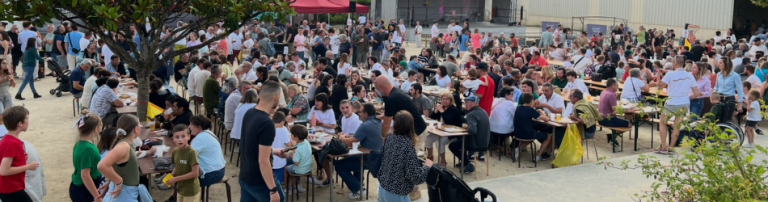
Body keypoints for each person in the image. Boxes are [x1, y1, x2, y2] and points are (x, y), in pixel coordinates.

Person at [239, 81, 287, 202]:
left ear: (260, 94)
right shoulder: (267, 123)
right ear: (276, 98)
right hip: (260, 181)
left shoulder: (249, 112)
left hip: (245, 176)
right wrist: (273, 189)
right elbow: (263, 161)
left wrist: (274, 151)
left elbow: (251, 145)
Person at [96, 114, 153, 202]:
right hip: (124, 194)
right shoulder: (124, 146)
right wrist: (118, 182)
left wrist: (109, 179)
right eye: (139, 125)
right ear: (135, 129)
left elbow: (115, 165)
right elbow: (102, 165)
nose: (140, 128)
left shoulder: (124, 144)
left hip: (127, 193)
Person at [378, 110, 432, 201]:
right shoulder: (407, 144)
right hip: (396, 192)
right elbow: (416, 177)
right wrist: (427, 166)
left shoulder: (389, 137)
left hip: (383, 188)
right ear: (411, 125)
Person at [334, 103, 383, 198]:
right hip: (378, 157)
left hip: (369, 159)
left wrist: (342, 138)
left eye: (360, 112)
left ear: (366, 114)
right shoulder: (377, 122)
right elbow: (357, 136)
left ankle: (358, 189)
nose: (358, 113)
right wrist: (345, 136)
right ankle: (360, 184)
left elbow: (349, 142)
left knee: (338, 165)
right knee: (354, 157)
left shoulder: (365, 125)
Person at [0, 106, 39, 202]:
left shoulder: (8, 139)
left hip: (9, 187)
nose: (28, 121)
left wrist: (20, 159)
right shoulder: (12, 143)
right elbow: (4, 171)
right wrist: (28, 166)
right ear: (20, 123)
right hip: (10, 188)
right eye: (27, 119)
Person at [448, 95, 489, 173]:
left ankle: (468, 164)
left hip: (475, 143)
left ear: (474, 103)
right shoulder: (483, 111)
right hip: (485, 141)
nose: (465, 105)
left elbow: (472, 130)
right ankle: (464, 161)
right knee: (460, 141)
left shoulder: (471, 114)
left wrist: (467, 127)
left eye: (467, 103)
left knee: (452, 146)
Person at [513, 93, 553, 161]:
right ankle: (538, 156)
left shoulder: (518, 107)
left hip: (517, 133)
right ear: (532, 101)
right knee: (548, 136)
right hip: (527, 134)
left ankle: (518, 149)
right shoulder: (530, 110)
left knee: (532, 133)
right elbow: (546, 119)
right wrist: (541, 112)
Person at [489, 87, 516, 156]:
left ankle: (499, 146)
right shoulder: (510, 103)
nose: (512, 95)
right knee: (519, 132)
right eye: (511, 94)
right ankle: (511, 147)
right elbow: (515, 116)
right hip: (504, 129)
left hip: (492, 128)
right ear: (506, 95)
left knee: (502, 125)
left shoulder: (495, 101)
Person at [285, 124, 311, 194]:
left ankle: (288, 189)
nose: (290, 135)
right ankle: (295, 186)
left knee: (286, 167)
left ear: (296, 137)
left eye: (291, 134)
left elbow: (296, 163)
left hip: (300, 169)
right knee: (292, 164)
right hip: (307, 167)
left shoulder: (297, 149)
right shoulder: (306, 142)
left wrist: (292, 156)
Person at [269, 111, 291, 188]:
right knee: (277, 184)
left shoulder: (267, 128)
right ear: (282, 122)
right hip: (279, 161)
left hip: (268, 160)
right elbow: (289, 144)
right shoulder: (282, 130)